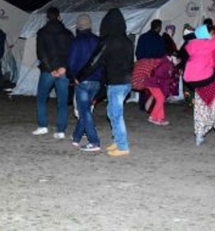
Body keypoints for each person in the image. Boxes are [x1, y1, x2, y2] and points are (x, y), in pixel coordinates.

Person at [79, 8, 135, 156]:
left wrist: (80, 76)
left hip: (116, 82)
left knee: (116, 114)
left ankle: (123, 146)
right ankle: (117, 140)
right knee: (111, 112)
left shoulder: (108, 41)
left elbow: (95, 62)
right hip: (126, 81)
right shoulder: (128, 41)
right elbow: (131, 63)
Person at [32, 7, 74, 139]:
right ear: (59, 16)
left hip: (47, 71)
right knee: (62, 101)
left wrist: (51, 69)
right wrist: (64, 68)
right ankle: (61, 130)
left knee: (41, 99)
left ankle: (43, 126)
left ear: (47, 17)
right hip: (63, 70)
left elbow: (41, 53)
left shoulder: (42, 33)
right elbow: (72, 53)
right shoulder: (67, 33)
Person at [66, 14, 102, 151]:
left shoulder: (77, 41)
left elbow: (72, 62)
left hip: (82, 80)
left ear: (78, 26)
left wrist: (73, 76)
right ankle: (76, 137)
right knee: (85, 109)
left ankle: (94, 141)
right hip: (96, 80)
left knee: (84, 111)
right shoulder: (98, 41)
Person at [143, 55, 177, 126]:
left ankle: (160, 118)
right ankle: (153, 117)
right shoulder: (166, 63)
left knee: (160, 99)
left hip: (153, 82)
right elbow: (160, 75)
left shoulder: (167, 62)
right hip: (153, 83)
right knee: (160, 99)